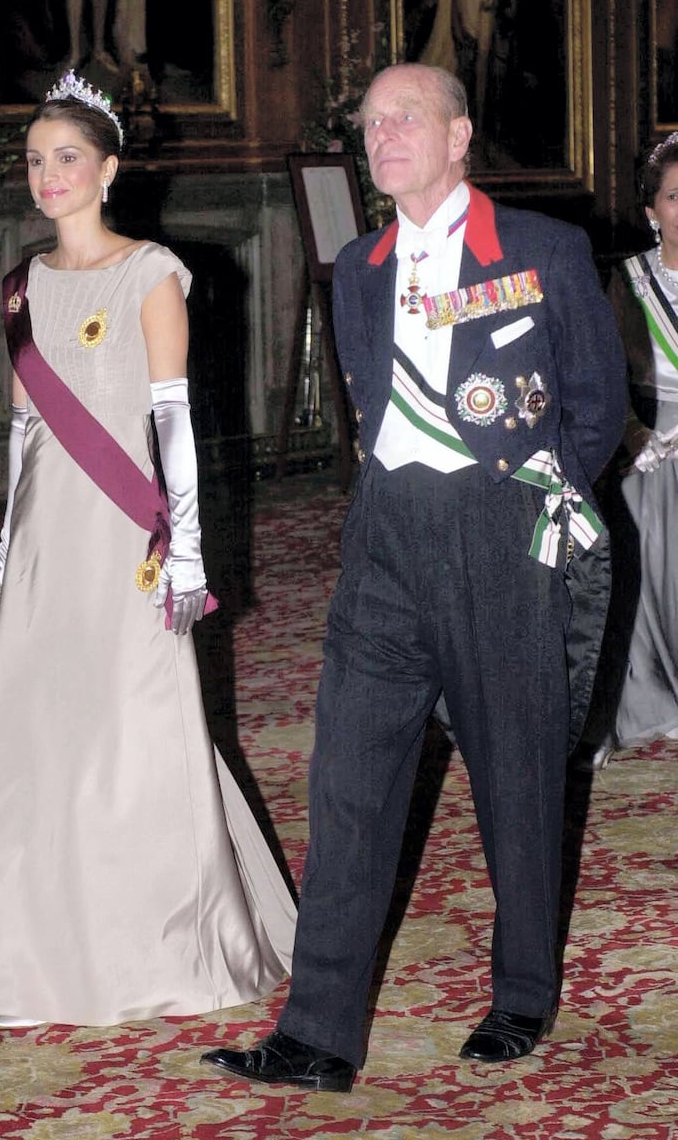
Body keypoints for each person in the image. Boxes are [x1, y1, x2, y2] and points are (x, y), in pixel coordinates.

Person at [200, 62, 626, 1091]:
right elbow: (368, 408)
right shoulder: (358, 268)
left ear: (457, 135)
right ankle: (317, 1032)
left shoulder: (542, 251)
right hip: (385, 539)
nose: (382, 134)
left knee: (516, 778)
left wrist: (537, 499)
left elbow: (595, 401)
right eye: (370, 122)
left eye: (405, 118)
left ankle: (521, 994)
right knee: (345, 782)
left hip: (500, 536)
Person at [0, 70, 295, 1028]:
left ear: (108, 168)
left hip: (130, 535)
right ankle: (48, 950)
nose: (47, 176)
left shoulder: (152, 273)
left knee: (136, 722)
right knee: (47, 729)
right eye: (34, 160)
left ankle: (173, 944)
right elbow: (24, 434)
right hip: (44, 543)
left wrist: (186, 549)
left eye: (66, 158)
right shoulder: (22, 285)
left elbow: (173, 424)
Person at [592, 132, 678, 767]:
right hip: (649, 437)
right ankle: (652, 697)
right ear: (652, 211)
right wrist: (635, 437)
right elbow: (602, 376)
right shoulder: (627, 279)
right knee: (644, 537)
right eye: (677, 198)